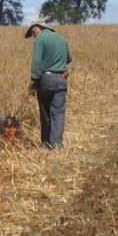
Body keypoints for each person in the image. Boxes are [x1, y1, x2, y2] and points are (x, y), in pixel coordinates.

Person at [25, 21, 72, 149]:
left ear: (38, 28)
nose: (34, 36)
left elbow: (36, 62)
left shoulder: (40, 39)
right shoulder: (61, 37)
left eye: (33, 33)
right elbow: (69, 58)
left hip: (46, 80)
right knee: (58, 112)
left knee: (45, 111)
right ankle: (57, 144)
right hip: (61, 78)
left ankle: (46, 144)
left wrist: (34, 80)